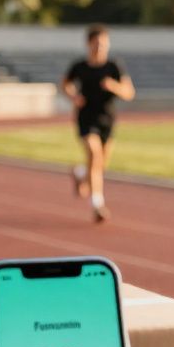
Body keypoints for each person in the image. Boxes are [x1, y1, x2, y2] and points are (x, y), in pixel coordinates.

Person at [60, 24, 135, 222]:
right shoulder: (80, 67)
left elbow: (129, 93)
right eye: (96, 43)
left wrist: (114, 86)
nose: (100, 47)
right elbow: (65, 84)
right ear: (88, 44)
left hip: (107, 119)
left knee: (100, 164)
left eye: (103, 44)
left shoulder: (113, 67)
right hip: (86, 118)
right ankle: (97, 204)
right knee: (94, 154)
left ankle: (80, 173)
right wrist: (73, 96)